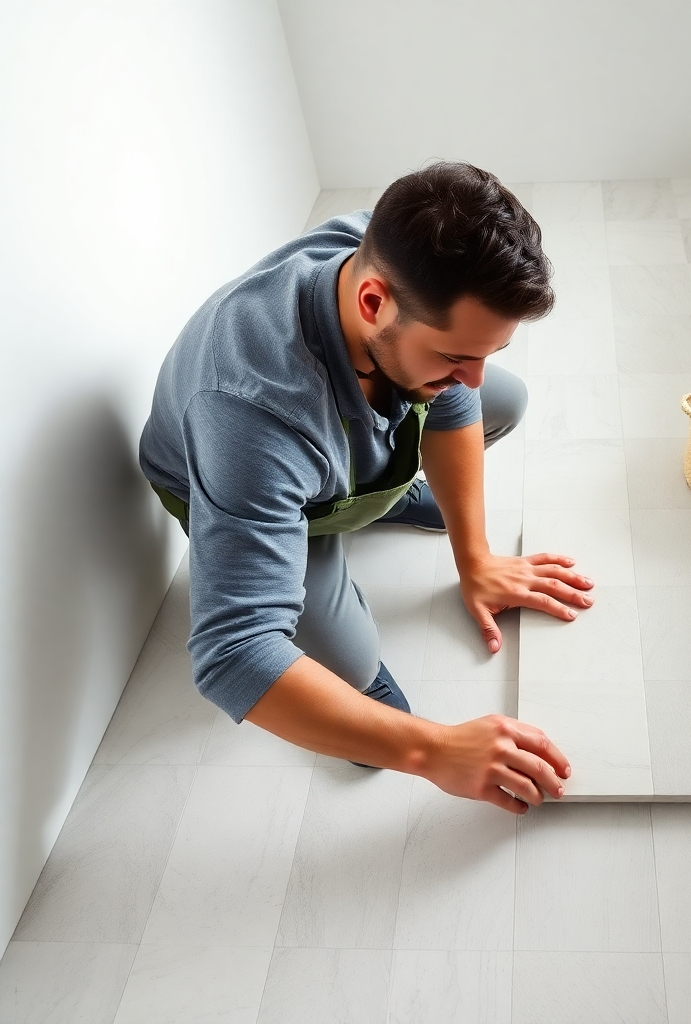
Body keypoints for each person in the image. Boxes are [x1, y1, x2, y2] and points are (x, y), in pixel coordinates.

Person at [138, 161, 594, 814]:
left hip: (311, 447)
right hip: (247, 484)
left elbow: (451, 401)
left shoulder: (389, 258)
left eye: (484, 354)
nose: (471, 378)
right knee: (365, 706)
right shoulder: (252, 413)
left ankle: (378, 487)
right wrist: (431, 752)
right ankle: (345, 505)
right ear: (373, 302)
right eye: (455, 356)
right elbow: (234, 654)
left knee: (505, 400)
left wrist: (477, 560)